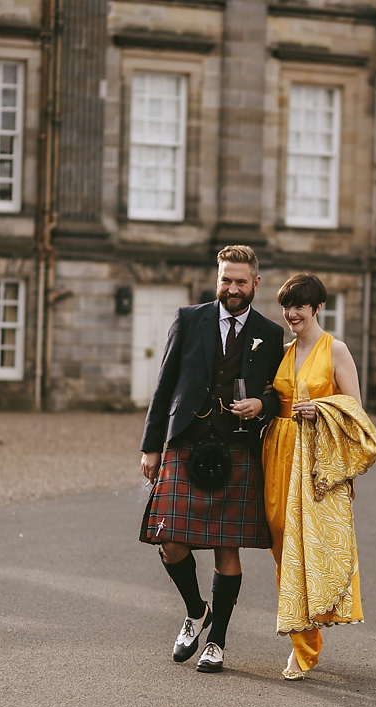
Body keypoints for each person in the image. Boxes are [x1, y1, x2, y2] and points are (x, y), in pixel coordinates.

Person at [139, 245, 286, 673]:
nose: (232, 288)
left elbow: (280, 391)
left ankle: (217, 642)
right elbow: (164, 384)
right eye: (226, 279)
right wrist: (151, 446)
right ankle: (195, 609)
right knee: (168, 538)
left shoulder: (269, 333)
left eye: (241, 281)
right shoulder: (189, 320)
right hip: (186, 443)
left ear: (256, 283)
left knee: (227, 544)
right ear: (216, 278)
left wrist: (262, 403)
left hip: (238, 449)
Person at [262, 273, 376, 680]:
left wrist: (322, 409)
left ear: (317, 308)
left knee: (308, 547)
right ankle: (301, 628)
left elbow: (356, 413)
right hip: (277, 451)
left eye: (299, 306)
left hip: (315, 458)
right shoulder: (285, 350)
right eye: (286, 306)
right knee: (280, 540)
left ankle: (304, 646)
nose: (291, 313)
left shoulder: (336, 350)